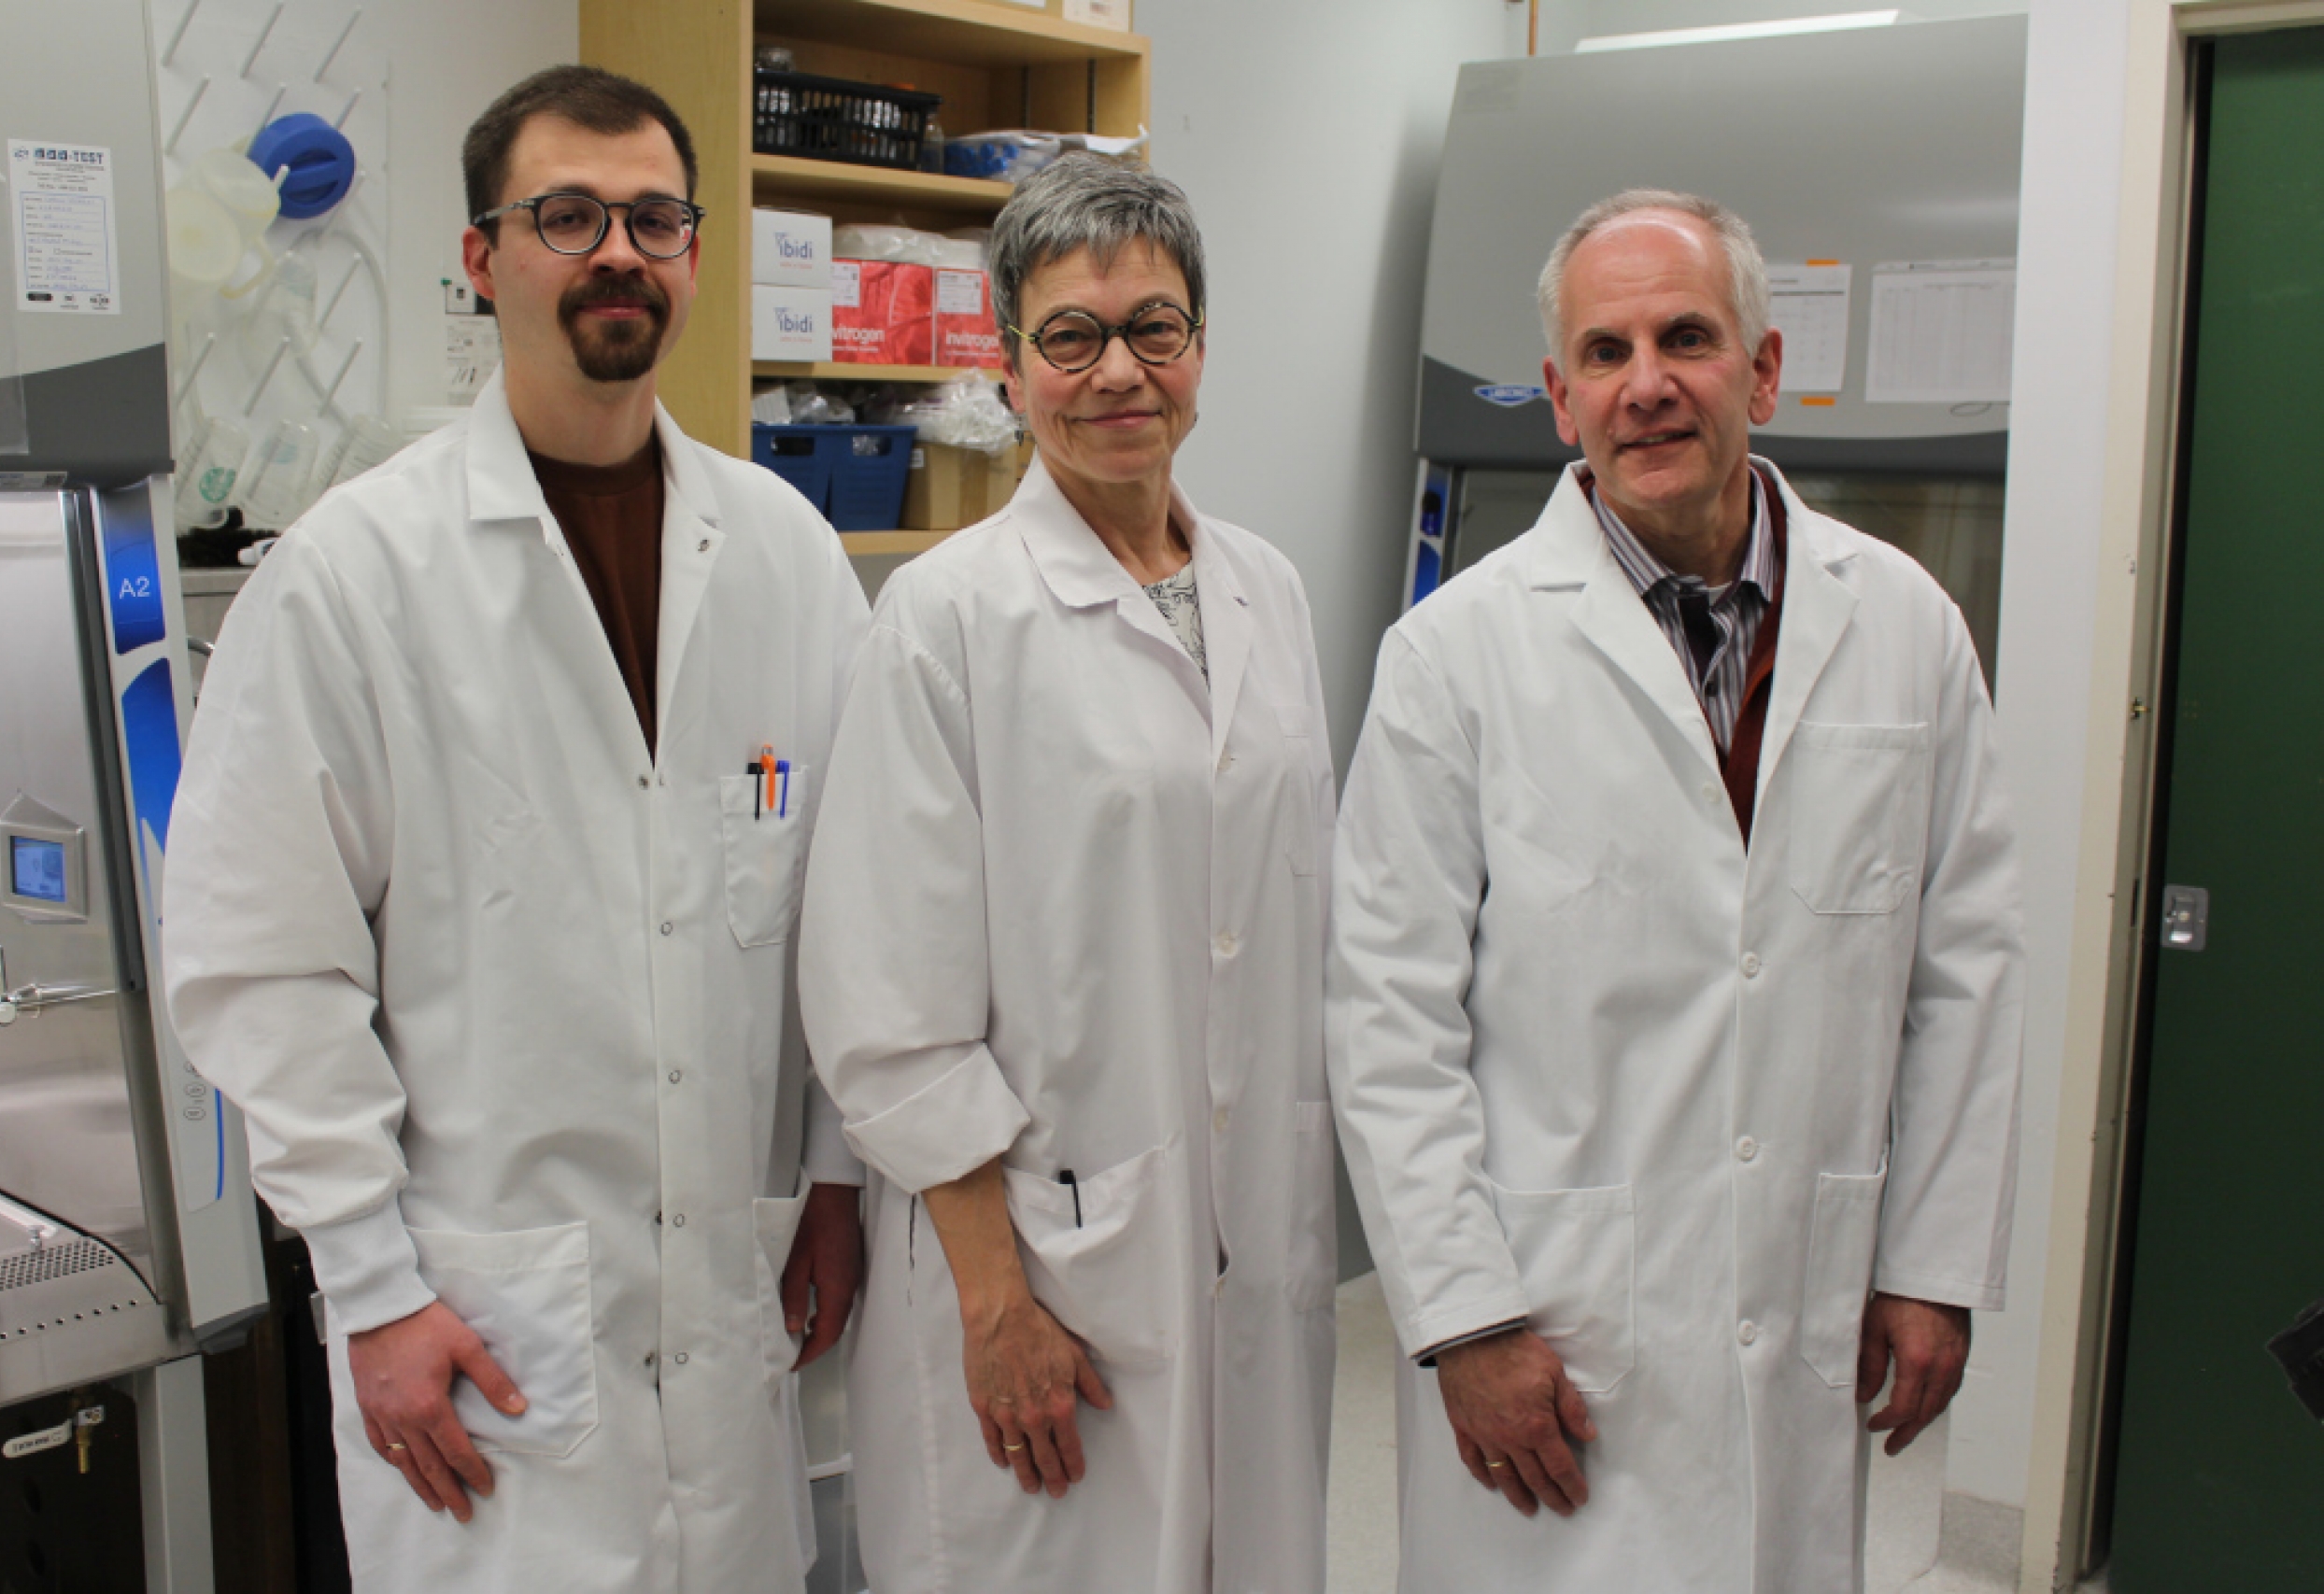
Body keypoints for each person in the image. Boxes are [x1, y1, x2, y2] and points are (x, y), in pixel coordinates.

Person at [163, 64, 871, 1592]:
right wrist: (367, 1287)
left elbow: (842, 911)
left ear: (692, 256)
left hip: (727, 1295)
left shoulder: (789, 557)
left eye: (653, 219)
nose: (617, 251)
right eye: (567, 217)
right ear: (484, 261)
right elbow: (258, 968)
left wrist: (832, 1176)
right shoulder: (356, 576)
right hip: (478, 1332)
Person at [1327, 189, 2026, 1593]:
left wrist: (1933, 1262)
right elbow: (1388, 1020)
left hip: (1799, 1289)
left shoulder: (1903, 626)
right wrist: (1466, 1324)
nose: (1646, 384)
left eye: (1687, 338)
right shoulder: (1453, 656)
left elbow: (1967, 965)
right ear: (1558, 397)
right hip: (1555, 1327)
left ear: (1762, 368)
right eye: (1604, 352)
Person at [799, 154, 1340, 1593]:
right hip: (1038, 1255)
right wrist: (996, 1302)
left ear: (1201, 348)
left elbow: (1291, 914)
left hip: (1241, 1249)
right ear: (1009, 365)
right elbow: (884, 1002)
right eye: (1071, 336)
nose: (1119, 372)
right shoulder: (945, 617)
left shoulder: (1264, 590)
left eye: (1153, 328)